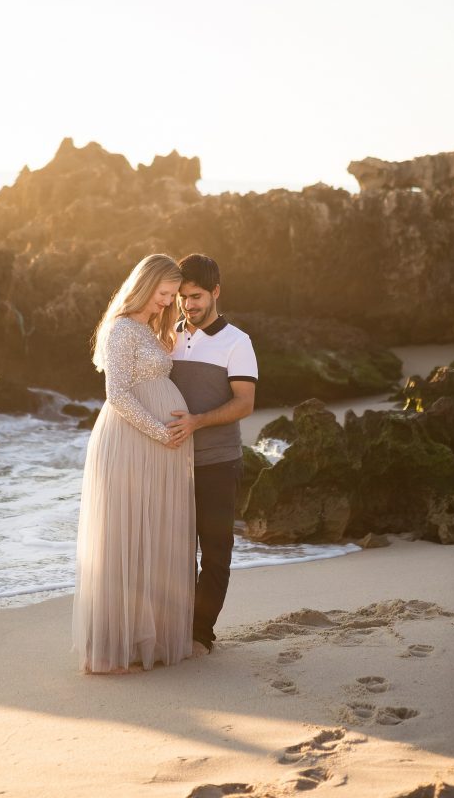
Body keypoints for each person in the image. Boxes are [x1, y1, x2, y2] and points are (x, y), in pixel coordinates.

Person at [72, 254, 195, 674]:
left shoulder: (148, 328)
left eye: (171, 296)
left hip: (158, 446)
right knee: (124, 537)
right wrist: (162, 433)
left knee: (153, 536)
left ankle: (149, 640)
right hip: (132, 441)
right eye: (163, 294)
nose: (166, 302)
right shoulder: (121, 329)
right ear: (145, 286)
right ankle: (109, 648)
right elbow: (118, 395)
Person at [168, 254, 258, 655]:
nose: (190, 305)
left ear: (216, 292)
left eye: (198, 296)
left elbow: (244, 403)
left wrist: (197, 422)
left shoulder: (237, 342)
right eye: (184, 297)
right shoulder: (168, 335)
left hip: (218, 463)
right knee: (177, 552)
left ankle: (201, 633)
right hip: (172, 464)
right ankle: (178, 627)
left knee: (216, 551)